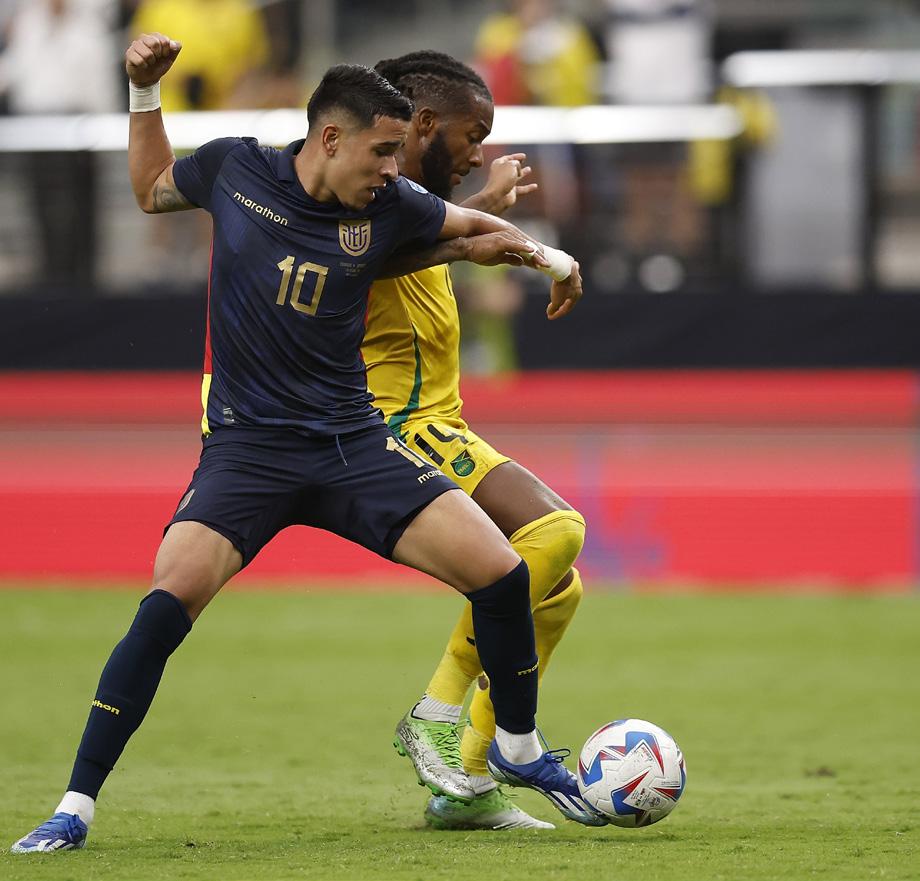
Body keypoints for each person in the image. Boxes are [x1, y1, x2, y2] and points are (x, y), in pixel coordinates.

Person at [11, 33, 599, 854]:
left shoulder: (390, 204)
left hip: (352, 444)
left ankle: (516, 747)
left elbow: (470, 228)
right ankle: (74, 805)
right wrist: (144, 93)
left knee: (503, 572)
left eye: (399, 153)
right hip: (249, 452)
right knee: (165, 606)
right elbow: (149, 188)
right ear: (330, 138)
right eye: (383, 152)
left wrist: (551, 258)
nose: (393, 169)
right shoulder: (235, 169)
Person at [365, 51, 592, 832]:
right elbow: (379, 250)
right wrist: (534, 253)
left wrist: (491, 218)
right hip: (398, 424)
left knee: (556, 590)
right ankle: (437, 713)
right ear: (424, 123)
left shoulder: (411, 204)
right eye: (472, 134)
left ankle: (462, 784)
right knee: (556, 530)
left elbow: (429, 238)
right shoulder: (365, 197)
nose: (478, 151)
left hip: (441, 420)